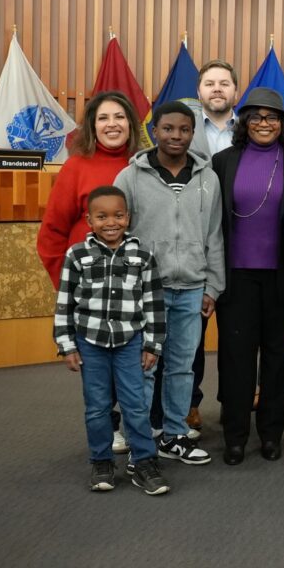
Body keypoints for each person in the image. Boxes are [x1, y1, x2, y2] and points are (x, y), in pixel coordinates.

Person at [115, 101, 225, 467]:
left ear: (193, 133)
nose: (176, 136)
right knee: (144, 367)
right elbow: (117, 235)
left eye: (184, 130)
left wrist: (213, 287)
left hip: (191, 289)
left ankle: (175, 434)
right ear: (154, 130)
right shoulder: (130, 177)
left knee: (181, 366)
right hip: (147, 292)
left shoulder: (208, 178)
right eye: (168, 129)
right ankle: (139, 435)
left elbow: (214, 235)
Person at [37, 91, 141, 454]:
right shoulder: (76, 167)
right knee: (100, 369)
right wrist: (66, 287)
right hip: (89, 291)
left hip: (133, 287)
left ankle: (139, 426)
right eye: (103, 118)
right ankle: (109, 426)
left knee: (133, 361)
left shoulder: (143, 163)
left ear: (131, 122)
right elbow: (51, 233)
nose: (112, 124)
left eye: (119, 117)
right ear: (92, 126)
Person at [53, 185, 170, 496]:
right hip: (90, 342)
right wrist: (66, 345)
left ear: (128, 218)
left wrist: (152, 344)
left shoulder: (142, 255)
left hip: (130, 342)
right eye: (102, 216)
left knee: (135, 404)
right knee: (97, 406)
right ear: (89, 220)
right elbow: (65, 303)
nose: (111, 223)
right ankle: (102, 461)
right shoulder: (77, 255)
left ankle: (144, 462)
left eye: (118, 215)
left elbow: (153, 304)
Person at [211, 87, 284, 466]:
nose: (263, 123)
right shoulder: (221, 162)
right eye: (255, 117)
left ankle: (270, 433)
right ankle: (235, 436)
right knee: (235, 358)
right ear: (244, 123)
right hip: (236, 277)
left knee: (278, 358)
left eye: (271, 117)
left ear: (282, 123)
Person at [180, 59, 239, 438]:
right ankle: (189, 403)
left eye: (224, 83)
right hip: (196, 243)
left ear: (235, 91)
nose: (217, 89)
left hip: (242, 243)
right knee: (191, 335)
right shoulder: (181, 128)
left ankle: (238, 397)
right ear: (199, 91)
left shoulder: (251, 128)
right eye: (210, 83)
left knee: (239, 333)